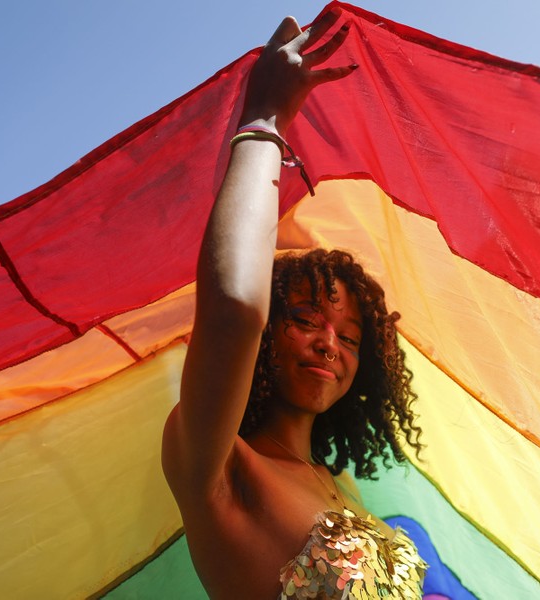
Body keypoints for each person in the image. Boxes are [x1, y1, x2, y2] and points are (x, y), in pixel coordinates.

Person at [161, 10, 426, 598]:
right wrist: (264, 118)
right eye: (306, 320)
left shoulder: (346, 491)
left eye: (351, 338)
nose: (330, 342)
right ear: (267, 336)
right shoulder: (216, 462)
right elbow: (233, 309)